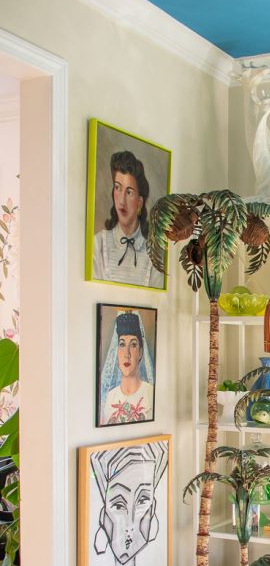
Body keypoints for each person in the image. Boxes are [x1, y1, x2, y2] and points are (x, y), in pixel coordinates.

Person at [88, 440, 169, 566]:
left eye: (142, 500)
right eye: (118, 505)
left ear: (153, 508)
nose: (130, 523)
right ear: (103, 515)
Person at [92, 150, 164, 288]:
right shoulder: (98, 244)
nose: (122, 201)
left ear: (140, 202)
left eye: (129, 192)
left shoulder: (153, 255)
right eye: (118, 188)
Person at [99, 310, 155, 425]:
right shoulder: (109, 398)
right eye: (122, 344)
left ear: (140, 352)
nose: (127, 354)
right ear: (116, 351)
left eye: (133, 345)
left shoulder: (150, 393)